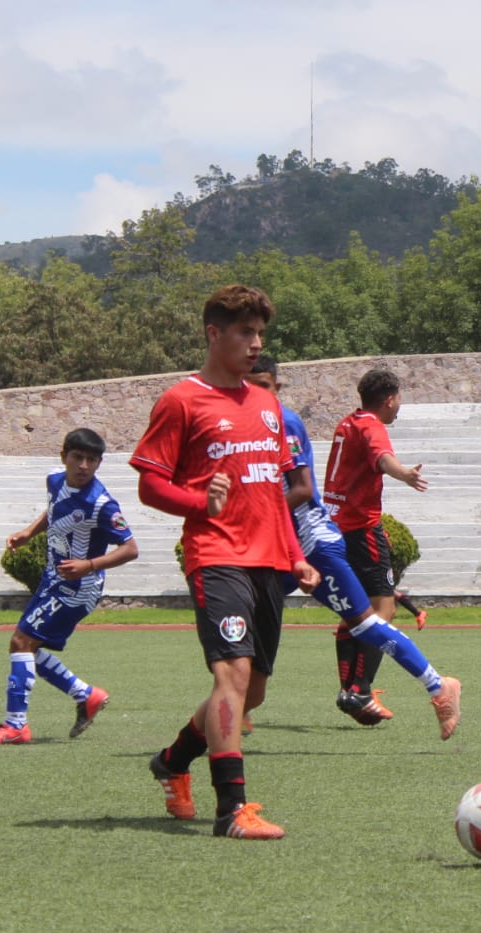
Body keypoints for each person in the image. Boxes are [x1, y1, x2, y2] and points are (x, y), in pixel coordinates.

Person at [131, 285, 320, 840]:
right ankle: (232, 810)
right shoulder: (180, 401)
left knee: (251, 691)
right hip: (216, 556)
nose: (256, 343)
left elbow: (276, 492)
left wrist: (296, 556)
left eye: (261, 333)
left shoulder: (267, 406)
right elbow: (149, 483)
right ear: (214, 334)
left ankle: (171, 761)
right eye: (245, 332)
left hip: (270, 561)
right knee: (231, 676)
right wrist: (199, 502)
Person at [319, 364, 464, 739]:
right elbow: (382, 458)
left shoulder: (346, 423)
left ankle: (352, 688)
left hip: (333, 527)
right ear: (389, 399)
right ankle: (359, 690)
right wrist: (405, 474)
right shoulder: (372, 426)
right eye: (399, 399)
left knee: (355, 612)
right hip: (358, 529)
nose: (400, 407)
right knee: (380, 613)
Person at [0, 429, 137, 745]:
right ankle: (86, 695)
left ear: (99, 463)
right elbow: (54, 510)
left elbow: (130, 549)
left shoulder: (102, 505)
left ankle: (16, 725)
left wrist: (88, 565)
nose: (84, 466)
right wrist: (28, 532)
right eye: (78, 457)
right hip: (54, 580)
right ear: (64, 457)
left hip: (78, 589)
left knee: (21, 642)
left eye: (92, 460)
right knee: (25, 647)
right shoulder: (55, 480)